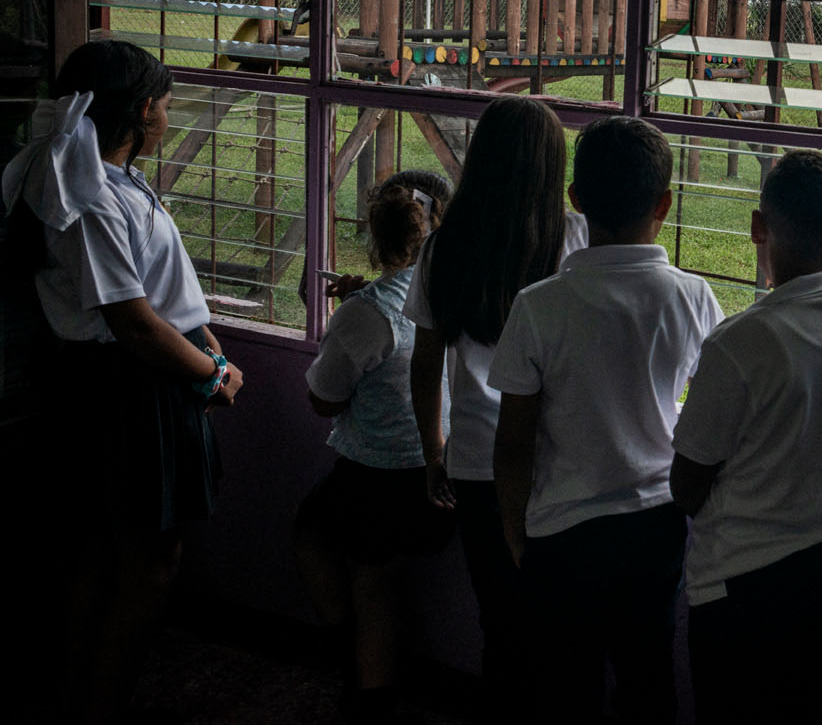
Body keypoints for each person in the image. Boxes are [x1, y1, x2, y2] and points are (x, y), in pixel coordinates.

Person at [1, 39, 244, 722]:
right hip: (125, 392)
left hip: (139, 377)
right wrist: (214, 372)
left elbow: (160, 290)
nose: (168, 116)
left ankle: (80, 695)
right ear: (143, 112)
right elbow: (133, 323)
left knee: (103, 552)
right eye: (165, 104)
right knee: (144, 564)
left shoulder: (110, 179)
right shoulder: (88, 198)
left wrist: (206, 341)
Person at [489, 116, 723, 724]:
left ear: (575, 200)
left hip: (563, 532)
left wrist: (513, 528)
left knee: (565, 688)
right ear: (664, 204)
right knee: (648, 679)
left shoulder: (539, 306)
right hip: (656, 524)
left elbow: (513, 440)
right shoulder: (695, 297)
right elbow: (714, 417)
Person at [671, 149, 822, 725]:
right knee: (805, 697)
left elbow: (687, 483)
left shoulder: (739, 342)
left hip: (748, 575)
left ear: (756, 227)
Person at [406, 95, 581, 712]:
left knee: (500, 622)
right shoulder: (576, 240)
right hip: (560, 462)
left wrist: (435, 452)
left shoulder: (443, 247)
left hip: (477, 460)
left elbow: (425, 363)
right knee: (561, 631)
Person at [294, 169, 456, 724]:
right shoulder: (452, 295)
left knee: (342, 560)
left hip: (379, 479)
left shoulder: (366, 314)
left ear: (373, 231)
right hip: (441, 472)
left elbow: (324, 400)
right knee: (380, 579)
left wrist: (351, 310)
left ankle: (362, 680)